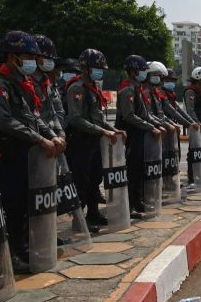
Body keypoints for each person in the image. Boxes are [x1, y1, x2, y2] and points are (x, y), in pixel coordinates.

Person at [0, 31, 63, 270]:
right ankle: (11, 255)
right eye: (28, 55)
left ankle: (24, 246)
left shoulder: (20, 84)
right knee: (12, 205)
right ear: (12, 56)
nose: (33, 61)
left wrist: (52, 136)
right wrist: (41, 139)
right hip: (9, 151)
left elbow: (31, 115)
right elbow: (4, 121)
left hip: (27, 153)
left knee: (26, 203)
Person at [64, 49, 122, 229]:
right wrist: (103, 131)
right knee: (82, 180)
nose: (100, 71)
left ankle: (93, 213)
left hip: (94, 140)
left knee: (95, 179)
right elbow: (76, 119)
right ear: (84, 67)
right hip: (80, 141)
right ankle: (78, 221)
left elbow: (98, 117)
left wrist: (113, 129)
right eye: (96, 67)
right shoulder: (77, 88)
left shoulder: (94, 88)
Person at [116, 55, 162, 218]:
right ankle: (129, 206)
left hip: (139, 133)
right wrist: (151, 127)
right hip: (131, 134)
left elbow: (146, 114)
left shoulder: (137, 88)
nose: (144, 74)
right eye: (142, 71)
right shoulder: (127, 89)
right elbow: (129, 116)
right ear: (134, 71)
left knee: (139, 170)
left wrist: (158, 125)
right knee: (132, 171)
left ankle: (137, 201)